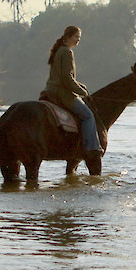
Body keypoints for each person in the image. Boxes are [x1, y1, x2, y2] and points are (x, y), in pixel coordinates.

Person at [40, 25, 103, 173]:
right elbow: (67, 79)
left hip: (50, 90)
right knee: (88, 115)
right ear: (67, 36)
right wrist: (82, 91)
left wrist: (81, 85)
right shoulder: (67, 52)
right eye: (76, 37)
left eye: (79, 37)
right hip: (62, 93)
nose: (78, 40)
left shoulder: (59, 51)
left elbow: (64, 77)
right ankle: (92, 148)